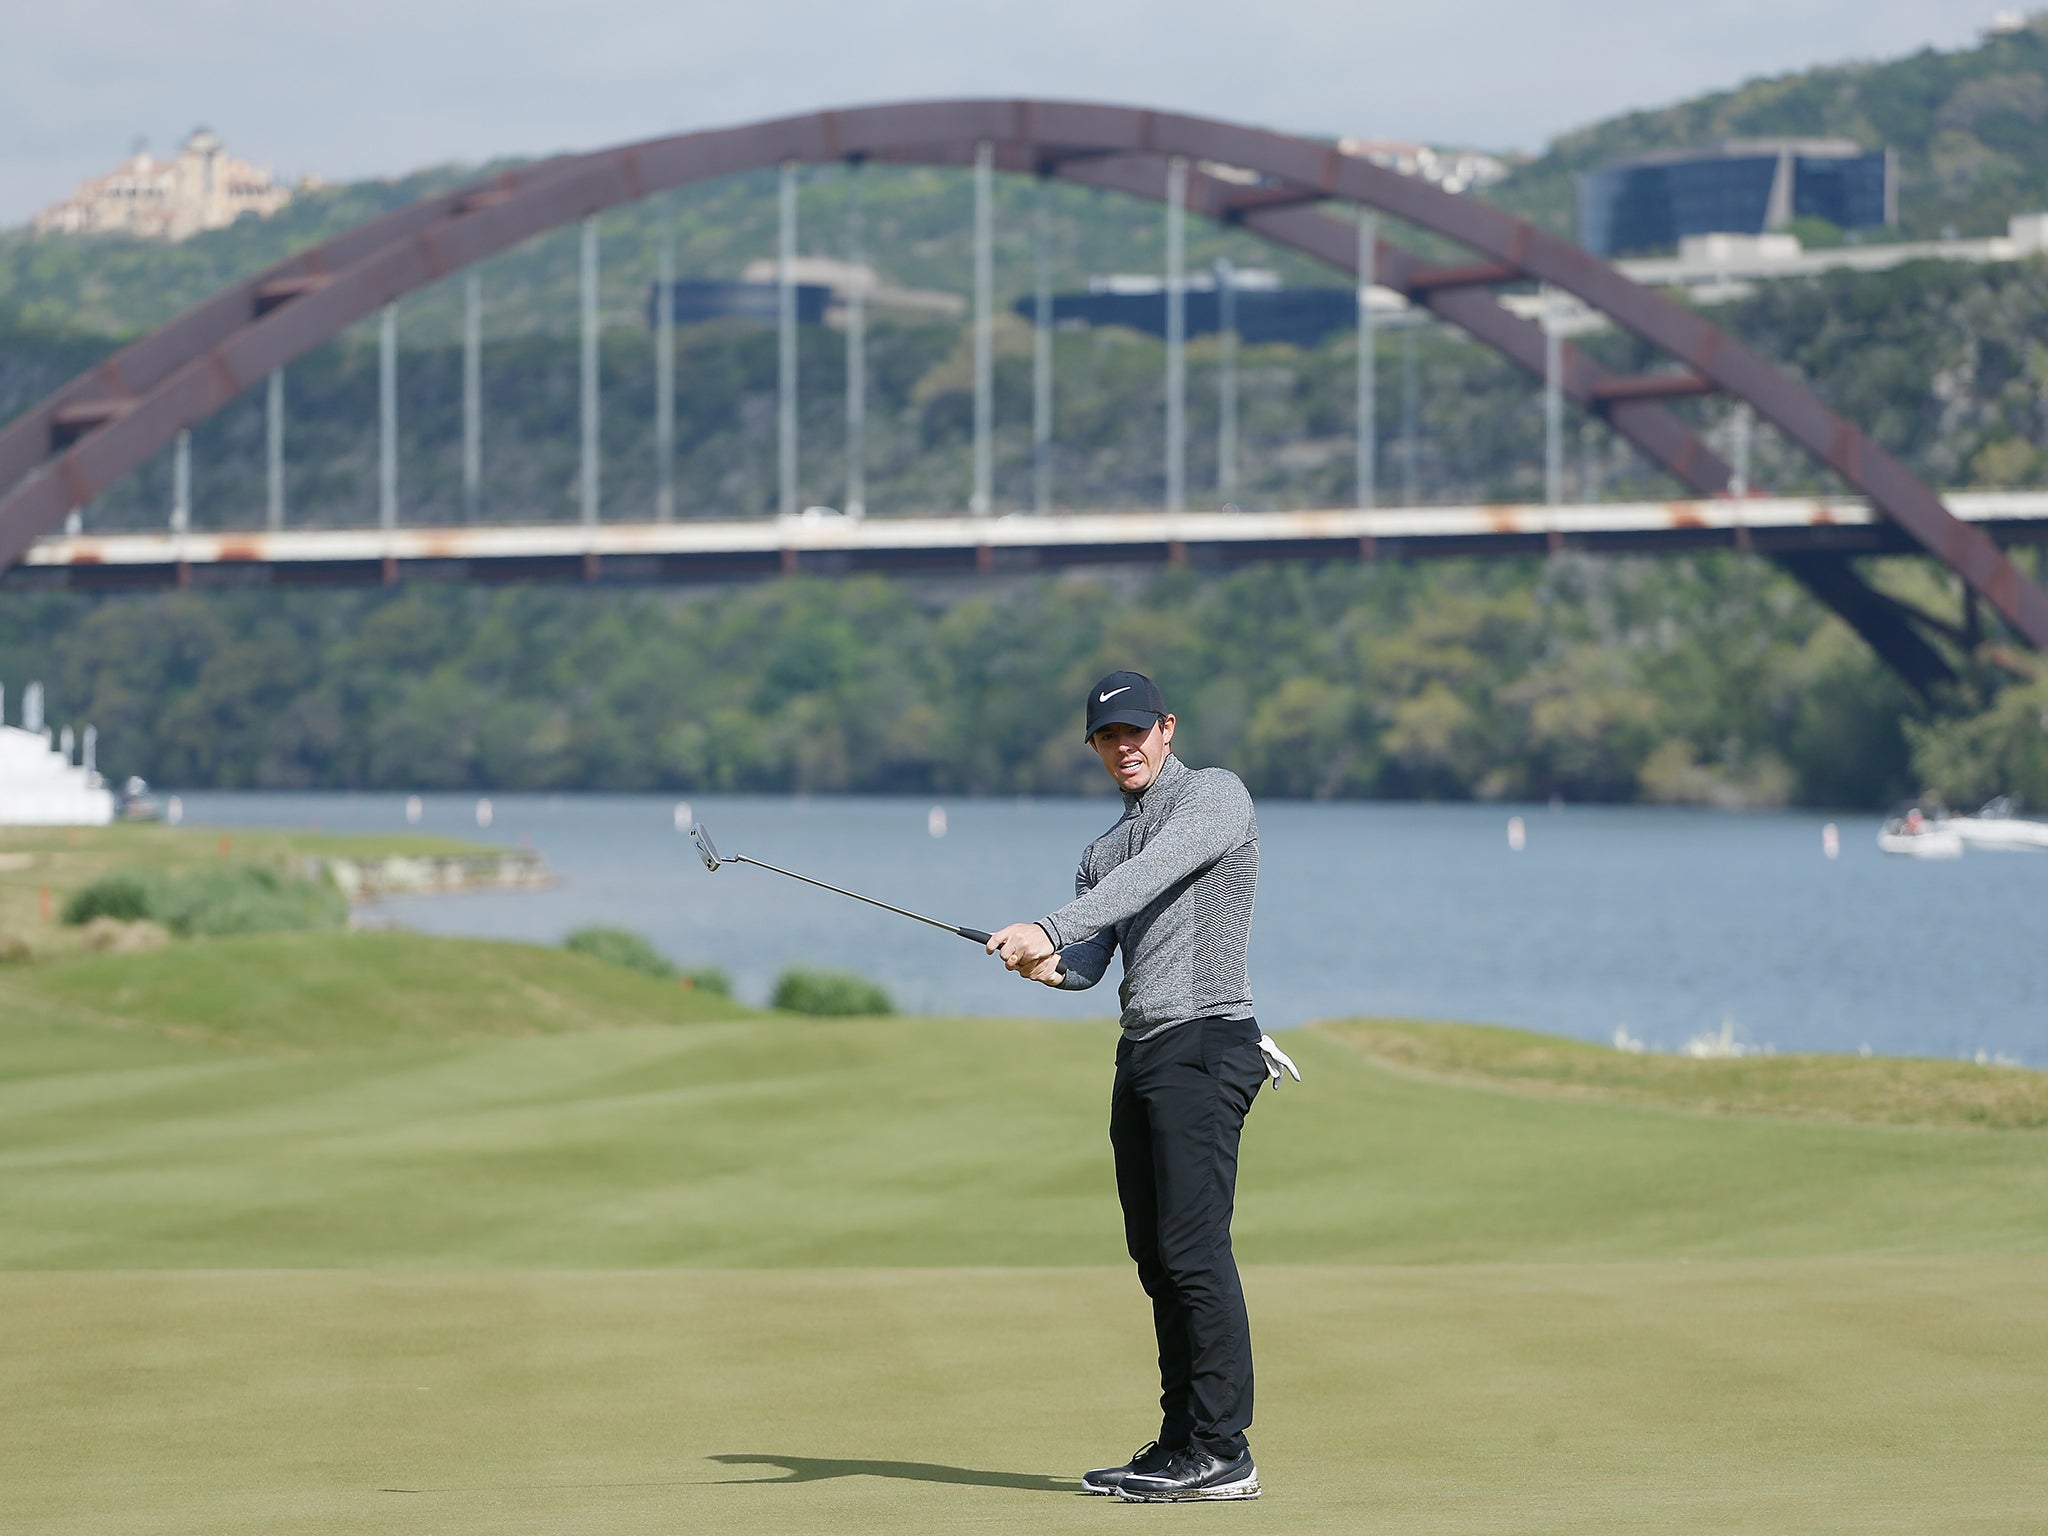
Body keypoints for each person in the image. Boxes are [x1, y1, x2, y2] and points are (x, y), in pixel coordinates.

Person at [986, 669, 1298, 1504]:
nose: (1122, 748)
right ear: (1094, 748)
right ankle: (1180, 1440)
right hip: (1146, 1051)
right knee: (1156, 1257)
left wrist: (1049, 923)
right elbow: (1088, 964)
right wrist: (1045, 963)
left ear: (1166, 727)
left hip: (1208, 1041)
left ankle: (1226, 1450)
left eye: (1135, 732)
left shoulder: (1214, 799)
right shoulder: (1100, 851)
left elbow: (1152, 874)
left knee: (1195, 1250)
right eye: (1106, 738)